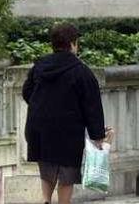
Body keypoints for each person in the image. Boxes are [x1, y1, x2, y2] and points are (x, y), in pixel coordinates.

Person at [22, 23, 110, 204]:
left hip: (39, 127)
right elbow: (91, 106)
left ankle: (46, 200)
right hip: (67, 131)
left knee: (47, 167)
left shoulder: (40, 66)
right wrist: (98, 136)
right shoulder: (81, 72)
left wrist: (43, 107)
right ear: (72, 44)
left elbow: (27, 92)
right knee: (67, 173)